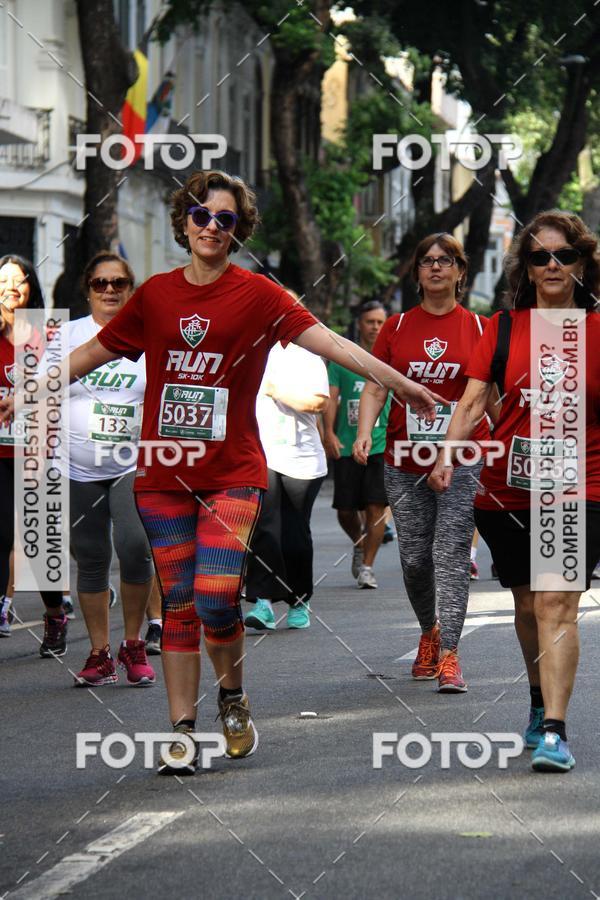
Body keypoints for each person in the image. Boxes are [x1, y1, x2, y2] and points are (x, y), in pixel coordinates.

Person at [1, 170, 441, 774]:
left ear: (238, 230)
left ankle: (231, 697)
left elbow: (334, 345)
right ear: (185, 222)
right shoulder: (154, 295)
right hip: (161, 476)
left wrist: (401, 382)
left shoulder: (260, 295)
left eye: (225, 219)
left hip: (232, 472)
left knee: (215, 598)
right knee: (179, 602)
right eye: (202, 215)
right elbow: (91, 355)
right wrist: (31, 390)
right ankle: (182, 730)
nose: (212, 226)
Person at [429, 210, 600, 771]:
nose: (552, 265)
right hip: (507, 485)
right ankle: (535, 698)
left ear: (582, 263)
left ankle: (555, 728)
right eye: (539, 256)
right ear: (525, 268)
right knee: (527, 605)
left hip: (580, 483)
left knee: (556, 602)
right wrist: (448, 456)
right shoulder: (504, 328)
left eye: (564, 255)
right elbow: (474, 400)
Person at [354, 233, 490, 692]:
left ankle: (450, 653)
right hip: (404, 458)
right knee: (414, 560)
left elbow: (487, 394)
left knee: (449, 553)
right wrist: (363, 433)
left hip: (464, 457)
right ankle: (429, 631)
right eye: (427, 261)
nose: (436, 268)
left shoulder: (477, 327)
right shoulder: (395, 328)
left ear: (459, 271)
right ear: (416, 273)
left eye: (445, 261)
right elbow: (375, 385)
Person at [47, 252, 156, 686]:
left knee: (134, 548)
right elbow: (38, 385)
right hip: (76, 466)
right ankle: (99, 654)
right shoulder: (65, 335)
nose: (109, 290)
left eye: (119, 283)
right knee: (91, 558)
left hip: (132, 463)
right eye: (100, 283)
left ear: (131, 288)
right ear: (87, 289)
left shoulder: (150, 335)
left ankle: (132, 643)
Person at [244, 324, 329, 631]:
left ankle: (298, 600)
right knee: (264, 528)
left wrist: (275, 390)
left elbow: (320, 403)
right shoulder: (250, 350)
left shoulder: (308, 357)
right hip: (259, 453)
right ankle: (263, 602)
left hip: (301, 457)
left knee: (294, 535)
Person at [0, 255, 65, 649]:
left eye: (18, 280)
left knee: (40, 547)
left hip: (37, 451)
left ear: (30, 288)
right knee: (0, 533)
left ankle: (55, 615)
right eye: (3, 280)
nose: (10, 287)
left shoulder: (49, 333)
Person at [323, 300, 392, 589]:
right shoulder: (344, 357)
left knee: (377, 507)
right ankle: (360, 542)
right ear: (360, 324)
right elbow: (331, 397)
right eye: (370, 322)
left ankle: (367, 566)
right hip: (349, 443)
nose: (375, 327)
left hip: (381, 444)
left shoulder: (392, 356)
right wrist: (328, 432)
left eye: (380, 322)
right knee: (345, 510)